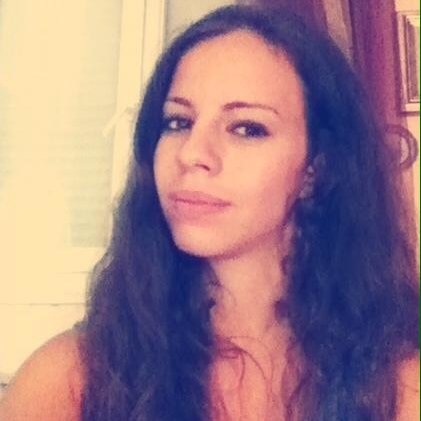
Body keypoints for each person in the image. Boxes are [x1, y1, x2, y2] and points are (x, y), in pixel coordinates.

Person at [0, 4, 418, 421]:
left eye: (246, 128)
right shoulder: (70, 382)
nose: (192, 153)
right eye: (178, 122)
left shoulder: (398, 385)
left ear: (316, 169)